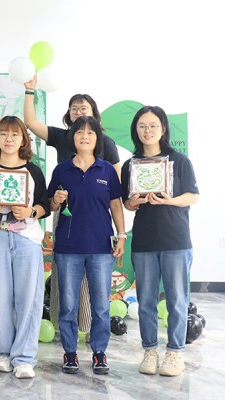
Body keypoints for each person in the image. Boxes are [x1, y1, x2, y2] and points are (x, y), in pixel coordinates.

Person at [23, 75, 122, 339]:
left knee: (93, 278)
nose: (78, 112)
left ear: (94, 114)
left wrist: (119, 229)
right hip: (65, 214)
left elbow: (115, 186)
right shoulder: (63, 137)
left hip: (96, 218)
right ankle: (63, 327)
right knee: (65, 273)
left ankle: (89, 328)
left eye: (83, 107)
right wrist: (30, 91)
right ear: (69, 115)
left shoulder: (105, 142)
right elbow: (31, 122)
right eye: (74, 108)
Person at [121, 106, 199, 377]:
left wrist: (170, 200)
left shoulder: (180, 161)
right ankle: (150, 350)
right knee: (146, 300)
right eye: (142, 126)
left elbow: (193, 196)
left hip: (176, 240)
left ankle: (175, 353)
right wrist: (133, 202)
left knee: (177, 299)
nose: (148, 130)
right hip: (144, 241)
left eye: (153, 125)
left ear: (163, 129)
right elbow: (127, 203)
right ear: (136, 130)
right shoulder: (131, 165)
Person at [0, 116, 50, 379]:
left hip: (27, 240)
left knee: (28, 298)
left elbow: (44, 204)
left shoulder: (34, 171)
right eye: (3, 134)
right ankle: (4, 353)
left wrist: (31, 212)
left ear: (23, 140)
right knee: (1, 297)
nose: (8, 139)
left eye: (15, 134)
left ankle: (25, 357)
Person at [47, 116, 125, 375]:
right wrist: (56, 200)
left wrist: (121, 235)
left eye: (90, 133)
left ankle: (99, 353)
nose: (84, 136)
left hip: (101, 248)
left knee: (101, 306)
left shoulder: (107, 170)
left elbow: (116, 204)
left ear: (97, 138)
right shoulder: (61, 170)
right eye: (79, 132)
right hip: (68, 248)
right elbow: (50, 205)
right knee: (68, 305)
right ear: (73, 137)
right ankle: (70, 352)